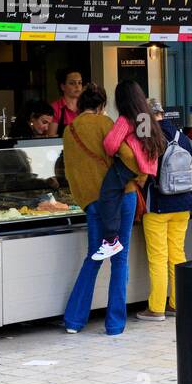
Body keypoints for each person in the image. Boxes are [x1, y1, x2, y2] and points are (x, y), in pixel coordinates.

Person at [62, 83, 139, 335]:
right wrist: (135, 177)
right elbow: (129, 156)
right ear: (102, 105)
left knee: (94, 257)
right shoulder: (107, 125)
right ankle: (115, 325)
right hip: (121, 198)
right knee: (120, 259)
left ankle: (74, 321)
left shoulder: (69, 130)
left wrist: (85, 200)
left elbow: (70, 170)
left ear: (80, 104)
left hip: (94, 202)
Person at [137, 97, 192, 321]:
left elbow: (144, 171)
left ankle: (156, 308)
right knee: (177, 254)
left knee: (158, 257)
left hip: (159, 205)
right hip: (184, 204)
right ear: (162, 113)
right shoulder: (182, 136)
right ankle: (177, 303)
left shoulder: (149, 138)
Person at [94, 80, 163, 262]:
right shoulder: (146, 117)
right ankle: (113, 239)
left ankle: (110, 240)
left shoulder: (125, 120)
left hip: (125, 167)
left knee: (108, 194)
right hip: (142, 169)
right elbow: (148, 145)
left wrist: (119, 149)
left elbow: (110, 145)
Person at [48, 68, 85, 136]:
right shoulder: (55, 108)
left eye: (80, 83)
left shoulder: (86, 107)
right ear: (63, 87)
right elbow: (51, 138)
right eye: (72, 83)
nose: (77, 86)